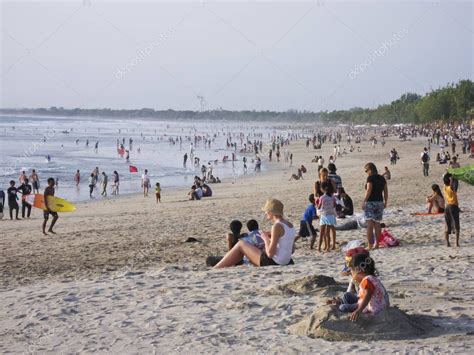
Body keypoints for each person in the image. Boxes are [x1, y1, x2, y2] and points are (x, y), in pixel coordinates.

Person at [214, 199, 296, 268]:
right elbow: (291, 250)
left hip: (274, 262)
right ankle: (228, 264)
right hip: (287, 261)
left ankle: (217, 267)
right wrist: (272, 238)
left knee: (241, 244)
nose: (265, 213)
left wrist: (266, 239)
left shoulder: (276, 226)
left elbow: (270, 254)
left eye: (266, 211)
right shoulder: (290, 225)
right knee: (246, 248)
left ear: (271, 212)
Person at [327, 254, 389, 321]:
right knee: (347, 296)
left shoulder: (367, 280)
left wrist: (359, 310)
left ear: (358, 270)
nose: (351, 274)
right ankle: (340, 302)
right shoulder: (372, 278)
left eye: (351, 271)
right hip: (375, 303)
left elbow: (368, 294)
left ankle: (341, 304)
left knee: (343, 307)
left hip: (371, 308)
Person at [361, 163, 388, 250]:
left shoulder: (370, 178)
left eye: (366, 171)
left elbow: (369, 190)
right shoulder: (382, 178)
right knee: (377, 224)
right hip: (380, 202)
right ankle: (377, 245)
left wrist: (364, 201)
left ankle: (370, 245)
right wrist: (385, 202)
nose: (366, 173)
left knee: (369, 224)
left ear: (370, 170)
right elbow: (386, 191)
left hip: (370, 203)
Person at [317, 181, 337, 252]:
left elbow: (319, 207)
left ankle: (319, 247)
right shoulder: (332, 196)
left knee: (322, 232)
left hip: (324, 215)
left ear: (323, 189)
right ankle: (328, 247)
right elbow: (334, 205)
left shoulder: (322, 197)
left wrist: (317, 204)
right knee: (327, 232)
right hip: (330, 215)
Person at [443, 173, 460, 247]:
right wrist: (453, 175)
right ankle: (456, 243)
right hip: (453, 207)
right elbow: (453, 182)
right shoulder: (451, 188)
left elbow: (446, 179)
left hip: (447, 206)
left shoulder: (444, 187)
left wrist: (448, 173)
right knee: (456, 225)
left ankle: (447, 243)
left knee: (447, 224)